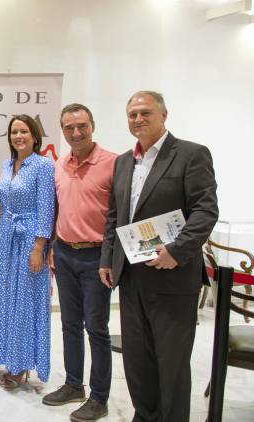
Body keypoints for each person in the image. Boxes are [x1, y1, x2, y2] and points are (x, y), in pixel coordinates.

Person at [99, 91, 218, 422]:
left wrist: (176, 251)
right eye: (132, 114)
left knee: (172, 361)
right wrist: (107, 259)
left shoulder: (191, 155)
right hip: (132, 275)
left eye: (145, 113)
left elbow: (205, 212)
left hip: (172, 276)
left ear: (164, 115)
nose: (138, 119)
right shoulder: (124, 162)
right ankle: (146, 415)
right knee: (137, 360)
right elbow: (115, 216)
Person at [42, 104, 117, 421]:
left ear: (93, 125)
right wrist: (51, 247)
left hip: (97, 257)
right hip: (64, 253)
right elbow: (57, 209)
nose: (75, 132)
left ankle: (99, 398)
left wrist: (111, 258)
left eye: (81, 126)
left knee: (96, 328)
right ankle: (74, 384)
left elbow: (118, 216)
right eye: (69, 127)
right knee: (69, 324)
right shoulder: (59, 164)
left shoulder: (113, 163)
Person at [0, 114, 55, 389]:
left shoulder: (43, 166)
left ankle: (23, 364)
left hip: (29, 240)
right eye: (14, 132)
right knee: (5, 300)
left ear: (35, 136)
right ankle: (10, 359)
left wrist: (38, 247)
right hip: (5, 239)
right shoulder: (7, 164)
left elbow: (47, 208)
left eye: (24, 131)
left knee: (25, 302)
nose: (18, 136)